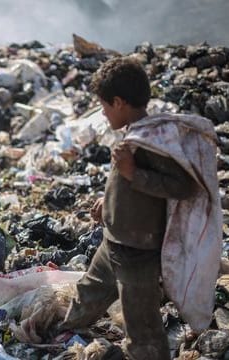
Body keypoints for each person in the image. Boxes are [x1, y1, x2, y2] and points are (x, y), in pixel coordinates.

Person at [58, 57, 199, 360]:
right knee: (86, 298)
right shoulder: (134, 132)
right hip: (113, 242)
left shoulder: (152, 141)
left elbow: (183, 186)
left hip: (138, 253)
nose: (104, 113)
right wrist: (106, 203)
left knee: (143, 329)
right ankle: (60, 336)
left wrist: (134, 172)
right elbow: (124, 180)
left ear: (119, 102)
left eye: (105, 107)